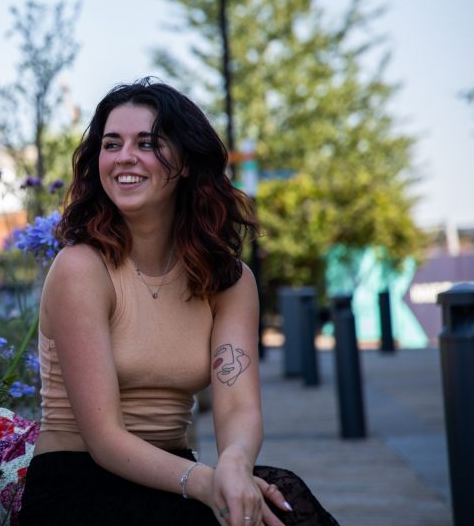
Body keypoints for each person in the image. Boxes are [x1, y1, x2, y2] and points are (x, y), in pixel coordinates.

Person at [18, 79, 337, 526]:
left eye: (147, 143)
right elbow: (105, 437)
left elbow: (238, 407)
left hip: (176, 473)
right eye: (112, 144)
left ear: (185, 162)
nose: (124, 156)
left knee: (281, 500)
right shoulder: (81, 269)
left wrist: (235, 466)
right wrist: (209, 483)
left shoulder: (228, 280)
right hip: (80, 485)